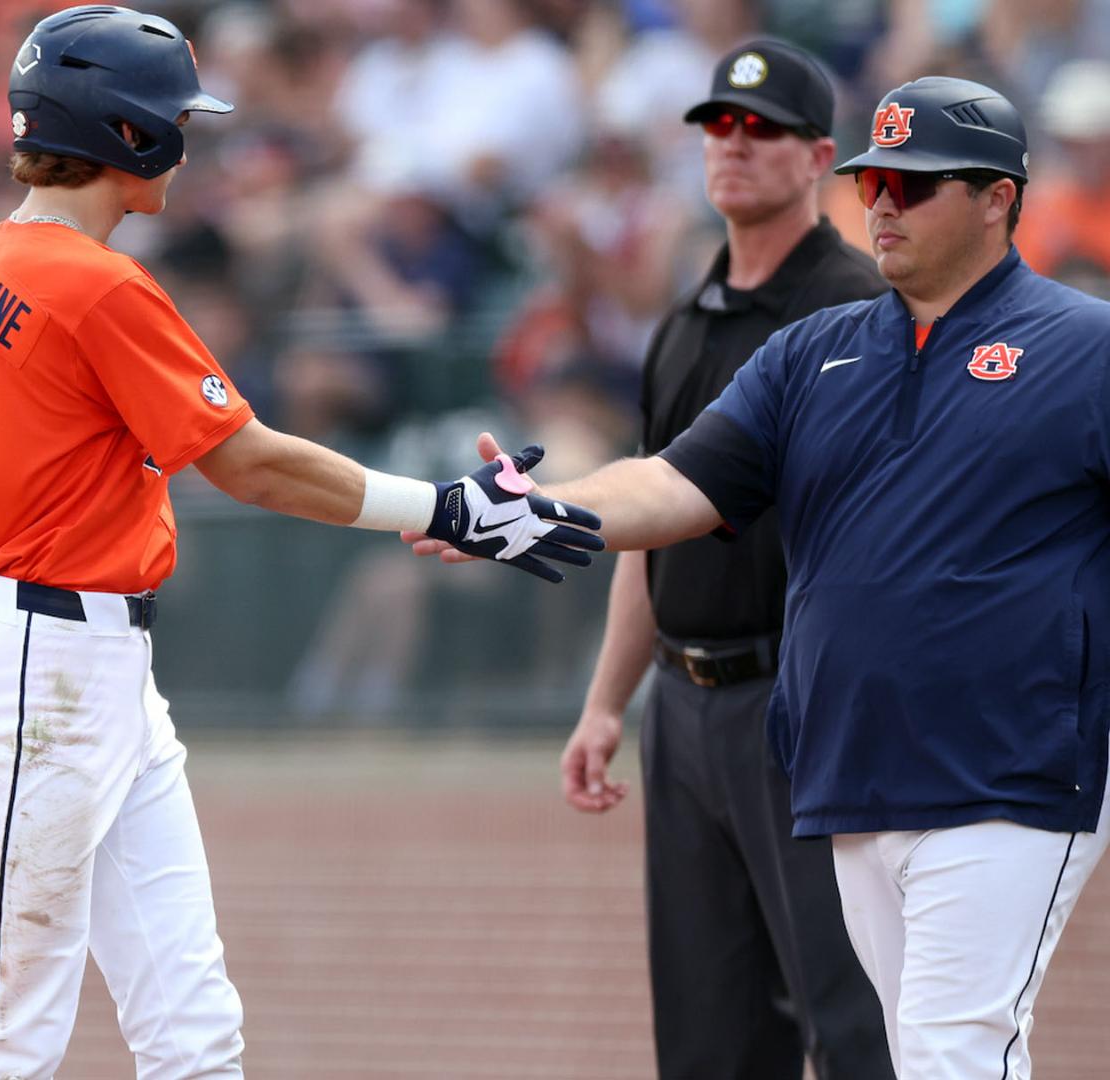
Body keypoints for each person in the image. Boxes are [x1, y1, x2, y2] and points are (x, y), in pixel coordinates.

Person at [0, 8, 604, 1077]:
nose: (185, 142)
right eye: (174, 120)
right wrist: (443, 508)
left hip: (71, 660)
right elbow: (250, 463)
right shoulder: (94, 281)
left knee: (193, 1032)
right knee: (13, 1036)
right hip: (45, 667)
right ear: (126, 132)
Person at [411, 75, 1110, 1078]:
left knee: (955, 1046)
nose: (881, 204)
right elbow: (671, 484)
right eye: (873, 182)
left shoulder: (1085, 348)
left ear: (998, 197)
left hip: (1011, 765)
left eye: (913, 185)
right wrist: (540, 508)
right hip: (853, 766)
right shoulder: (813, 352)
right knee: (912, 1052)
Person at [559, 41, 893, 1080]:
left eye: (761, 129)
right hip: (683, 708)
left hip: (802, 703)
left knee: (851, 1017)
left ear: (820, 156)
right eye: (718, 125)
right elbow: (648, 522)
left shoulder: (854, 309)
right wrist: (607, 703)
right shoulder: (683, 320)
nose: (732, 145)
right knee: (708, 1032)